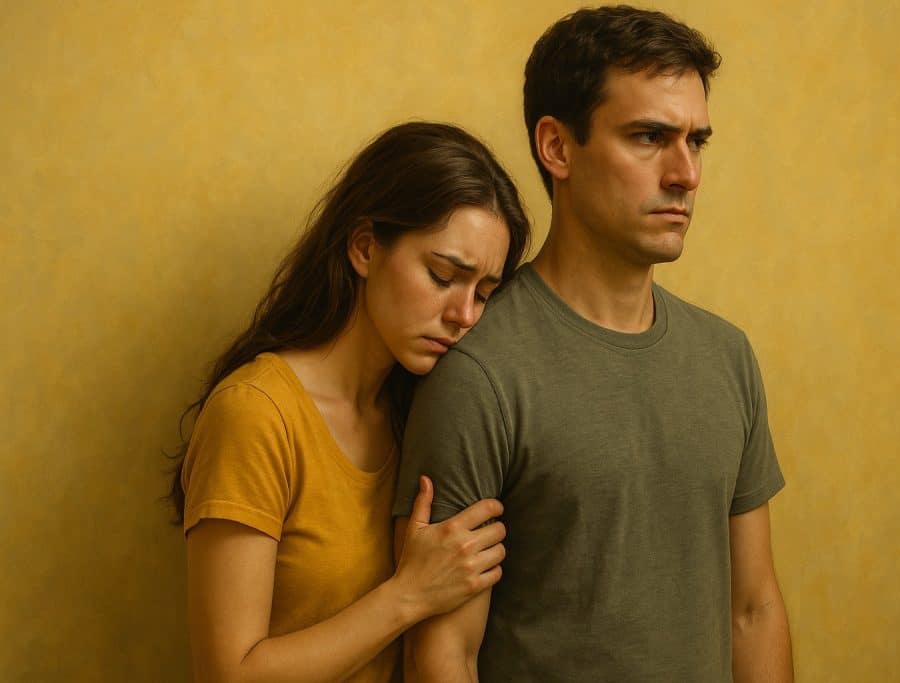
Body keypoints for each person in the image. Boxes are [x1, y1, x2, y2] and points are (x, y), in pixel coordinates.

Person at [393, 7, 793, 682]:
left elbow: (753, 609)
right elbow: (444, 654)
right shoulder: (478, 371)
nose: (685, 174)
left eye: (697, 141)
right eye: (649, 137)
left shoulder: (727, 357)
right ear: (557, 147)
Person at [168, 121, 530, 683]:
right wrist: (407, 596)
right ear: (364, 248)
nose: (464, 315)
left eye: (483, 293)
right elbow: (228, 674)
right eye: (442, 276)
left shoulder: (422, 412)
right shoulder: (255, 412)